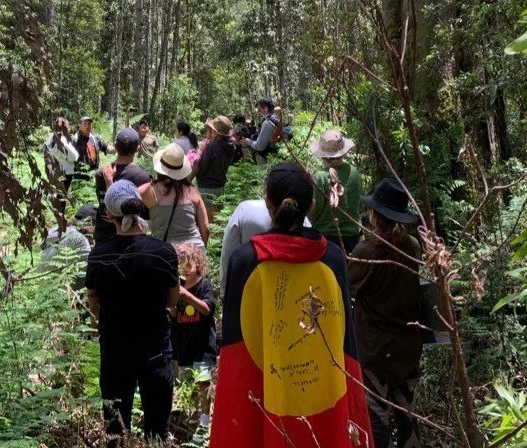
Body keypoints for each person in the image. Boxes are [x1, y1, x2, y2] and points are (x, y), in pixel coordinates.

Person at [210, 163, 372, 448]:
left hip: (262, 382)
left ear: (267, 204)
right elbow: (343, 339)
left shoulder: (245, 260)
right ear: (311, 205)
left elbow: (237, 343)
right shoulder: (333, 258)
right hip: (323, 385)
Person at [85, 180, 179, 447]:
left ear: (108, 214)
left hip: (115, 351)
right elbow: (173, 301)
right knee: (157, 431)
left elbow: (94, 300)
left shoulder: (99, 256)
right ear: (139, 210)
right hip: (156, 351)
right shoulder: (163, 252)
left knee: (115, 429)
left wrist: (99, 315)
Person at [349, 178, 424, 448]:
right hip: (407, 346)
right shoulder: (413, 246)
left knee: (377, 418)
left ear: (374, 215)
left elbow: (348, 287)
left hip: (375, 350)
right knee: (407, 414)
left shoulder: (365, 252)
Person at [171, 242, 218, 442]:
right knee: (183, 382)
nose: (185, 269)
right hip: (183, 345)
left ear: (198, 264)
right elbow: (174, 314)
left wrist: (187, 295)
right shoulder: (177, 286)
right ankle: (186, 419)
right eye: (180, 265)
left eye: (188, 264)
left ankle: (205, 421)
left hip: (202, 345)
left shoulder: (203, 285)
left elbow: (207, 309)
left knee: (203, 382)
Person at [219, 199, 310, 288]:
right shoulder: (306, 224)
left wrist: (224, 290)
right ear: (310, 207)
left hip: (250, 290)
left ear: (267, 200)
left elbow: (228, 253)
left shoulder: (244, 209)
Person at [135, 143, 210, 248]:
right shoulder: (193, 192)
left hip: (163, 251)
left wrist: (152, 183)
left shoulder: (152, 191)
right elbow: (205, 228)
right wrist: (202, 251)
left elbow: (130, 196)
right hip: (194, 251)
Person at [307, 130, 363, 254]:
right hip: (353, 237)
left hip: (326, 239)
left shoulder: (320, 176)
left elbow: (313, 212)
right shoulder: (354, 172)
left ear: (322, 155)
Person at [94, 128, 152, 244]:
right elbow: (145, 212)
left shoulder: (102, 173)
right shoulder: (144, 177)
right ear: (137, 148)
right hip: (131, 237)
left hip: (103, 234)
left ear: (115, 146)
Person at [194, 115, 236, 220]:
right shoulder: (231, 146)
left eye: (212, 129)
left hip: (207, 187)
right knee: (218, 219)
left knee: (207, 220)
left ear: (216, 132)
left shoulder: (211, 146)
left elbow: (202, 169)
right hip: (220, 185)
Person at [44, 117, 80, 194]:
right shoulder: (53, 141)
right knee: (59, 196)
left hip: (65, 172)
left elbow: (74, 156)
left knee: (61, 195)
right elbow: (48, 160)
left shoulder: (69, 139)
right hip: (59, 172)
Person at [240, 98, 280, 165]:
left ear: (266, 109)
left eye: (259, 110)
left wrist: (248, 141)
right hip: (275, 157)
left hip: (266, 159)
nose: (258, 113)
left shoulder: (267, 123)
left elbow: (260, 146)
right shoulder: (276, 118)